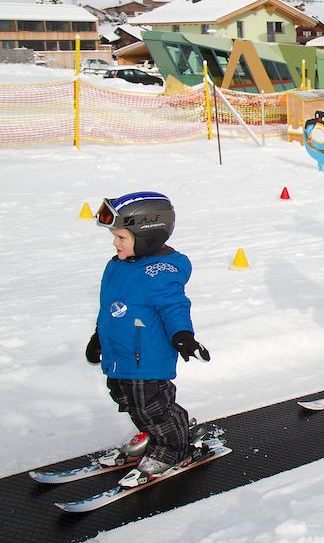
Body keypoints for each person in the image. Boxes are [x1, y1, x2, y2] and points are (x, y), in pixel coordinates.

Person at [89, 192, 210, 488]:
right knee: (124, 397)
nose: (115, 243)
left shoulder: (161, 272)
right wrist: (99, 337)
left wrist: (183, 336)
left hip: (147, 355)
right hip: (120, 355)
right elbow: (110, 308)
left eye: (121, 237)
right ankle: (162, 432)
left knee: (151, 406)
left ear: (148, 237)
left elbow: (174, 306)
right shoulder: (117, 265)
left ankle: (172, 446)